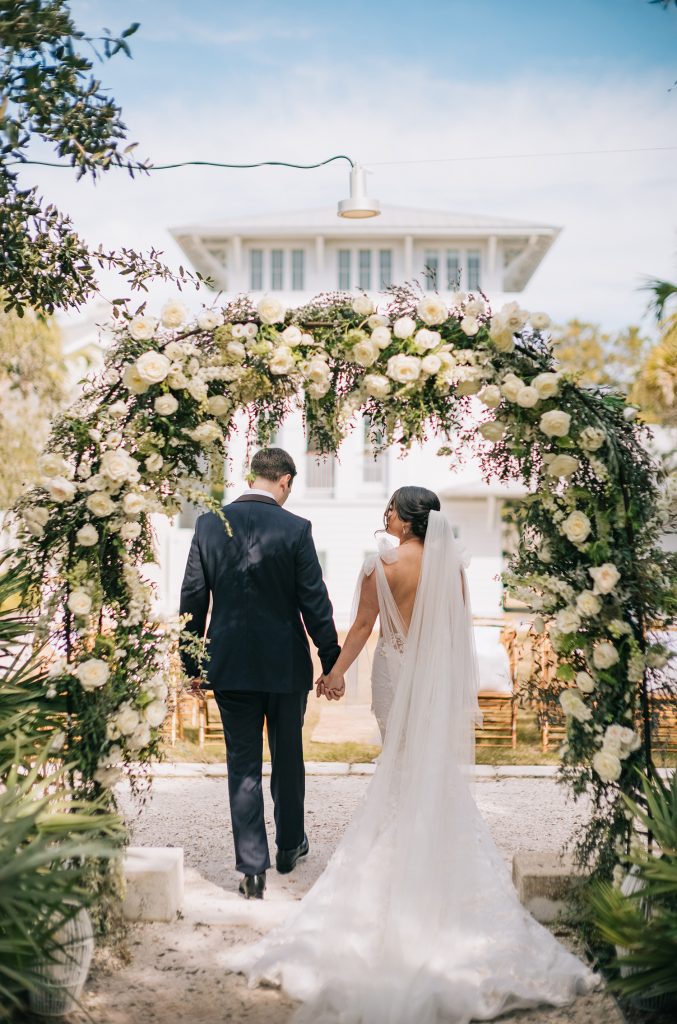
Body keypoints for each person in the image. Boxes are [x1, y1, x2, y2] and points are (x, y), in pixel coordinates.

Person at [227, 486, 598, 1024]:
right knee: (428, 768)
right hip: (433, 680)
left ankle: (392, 869)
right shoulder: (455, 569)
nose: (385, 516)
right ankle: (433, 860)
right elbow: (456, 632)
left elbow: (359, 628)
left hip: (393, 678)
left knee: (397, 763)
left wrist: (333, 674)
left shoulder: (380, 567)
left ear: (405, 521)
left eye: (390, 510)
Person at [179, 447, 342, 900]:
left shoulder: (209, 524)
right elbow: (315, 600)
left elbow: (192, 597)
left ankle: (252, 870)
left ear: (252, 477)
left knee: (243, 766)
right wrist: (331, 661)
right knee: (288, 758)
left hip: (229, 665)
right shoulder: (296, 529)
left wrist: (191, 662)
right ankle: (290, 846)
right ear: (285, 481)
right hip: (286, 666)